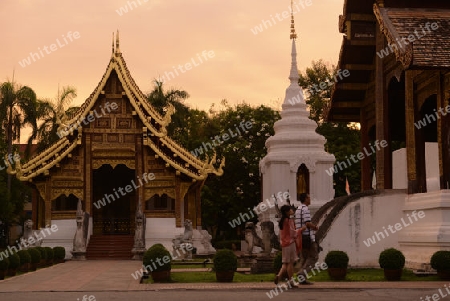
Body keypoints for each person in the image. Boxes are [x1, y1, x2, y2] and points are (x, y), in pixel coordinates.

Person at [274, 205, 305, 287]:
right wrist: (301, 230)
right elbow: (292, 233)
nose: (292, 210)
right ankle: (291, 281)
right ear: (287, 212)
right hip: (290, 243)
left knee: (285, 263)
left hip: (284, 244)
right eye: (290, 209)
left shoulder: (282, 221)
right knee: (290, 263)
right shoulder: (289, 220)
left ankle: (279, 276)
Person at [295, 193, 319, 285]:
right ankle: (302, 273)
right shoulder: (305, 209)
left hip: (300, 237)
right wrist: (315, 227)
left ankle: (302, 279)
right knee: (314, 257)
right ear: (305, 199)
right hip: (307, 237)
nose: (310, 199)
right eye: (309, 197)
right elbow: (307, 223)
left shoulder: (298, 209)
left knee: (304, 258)